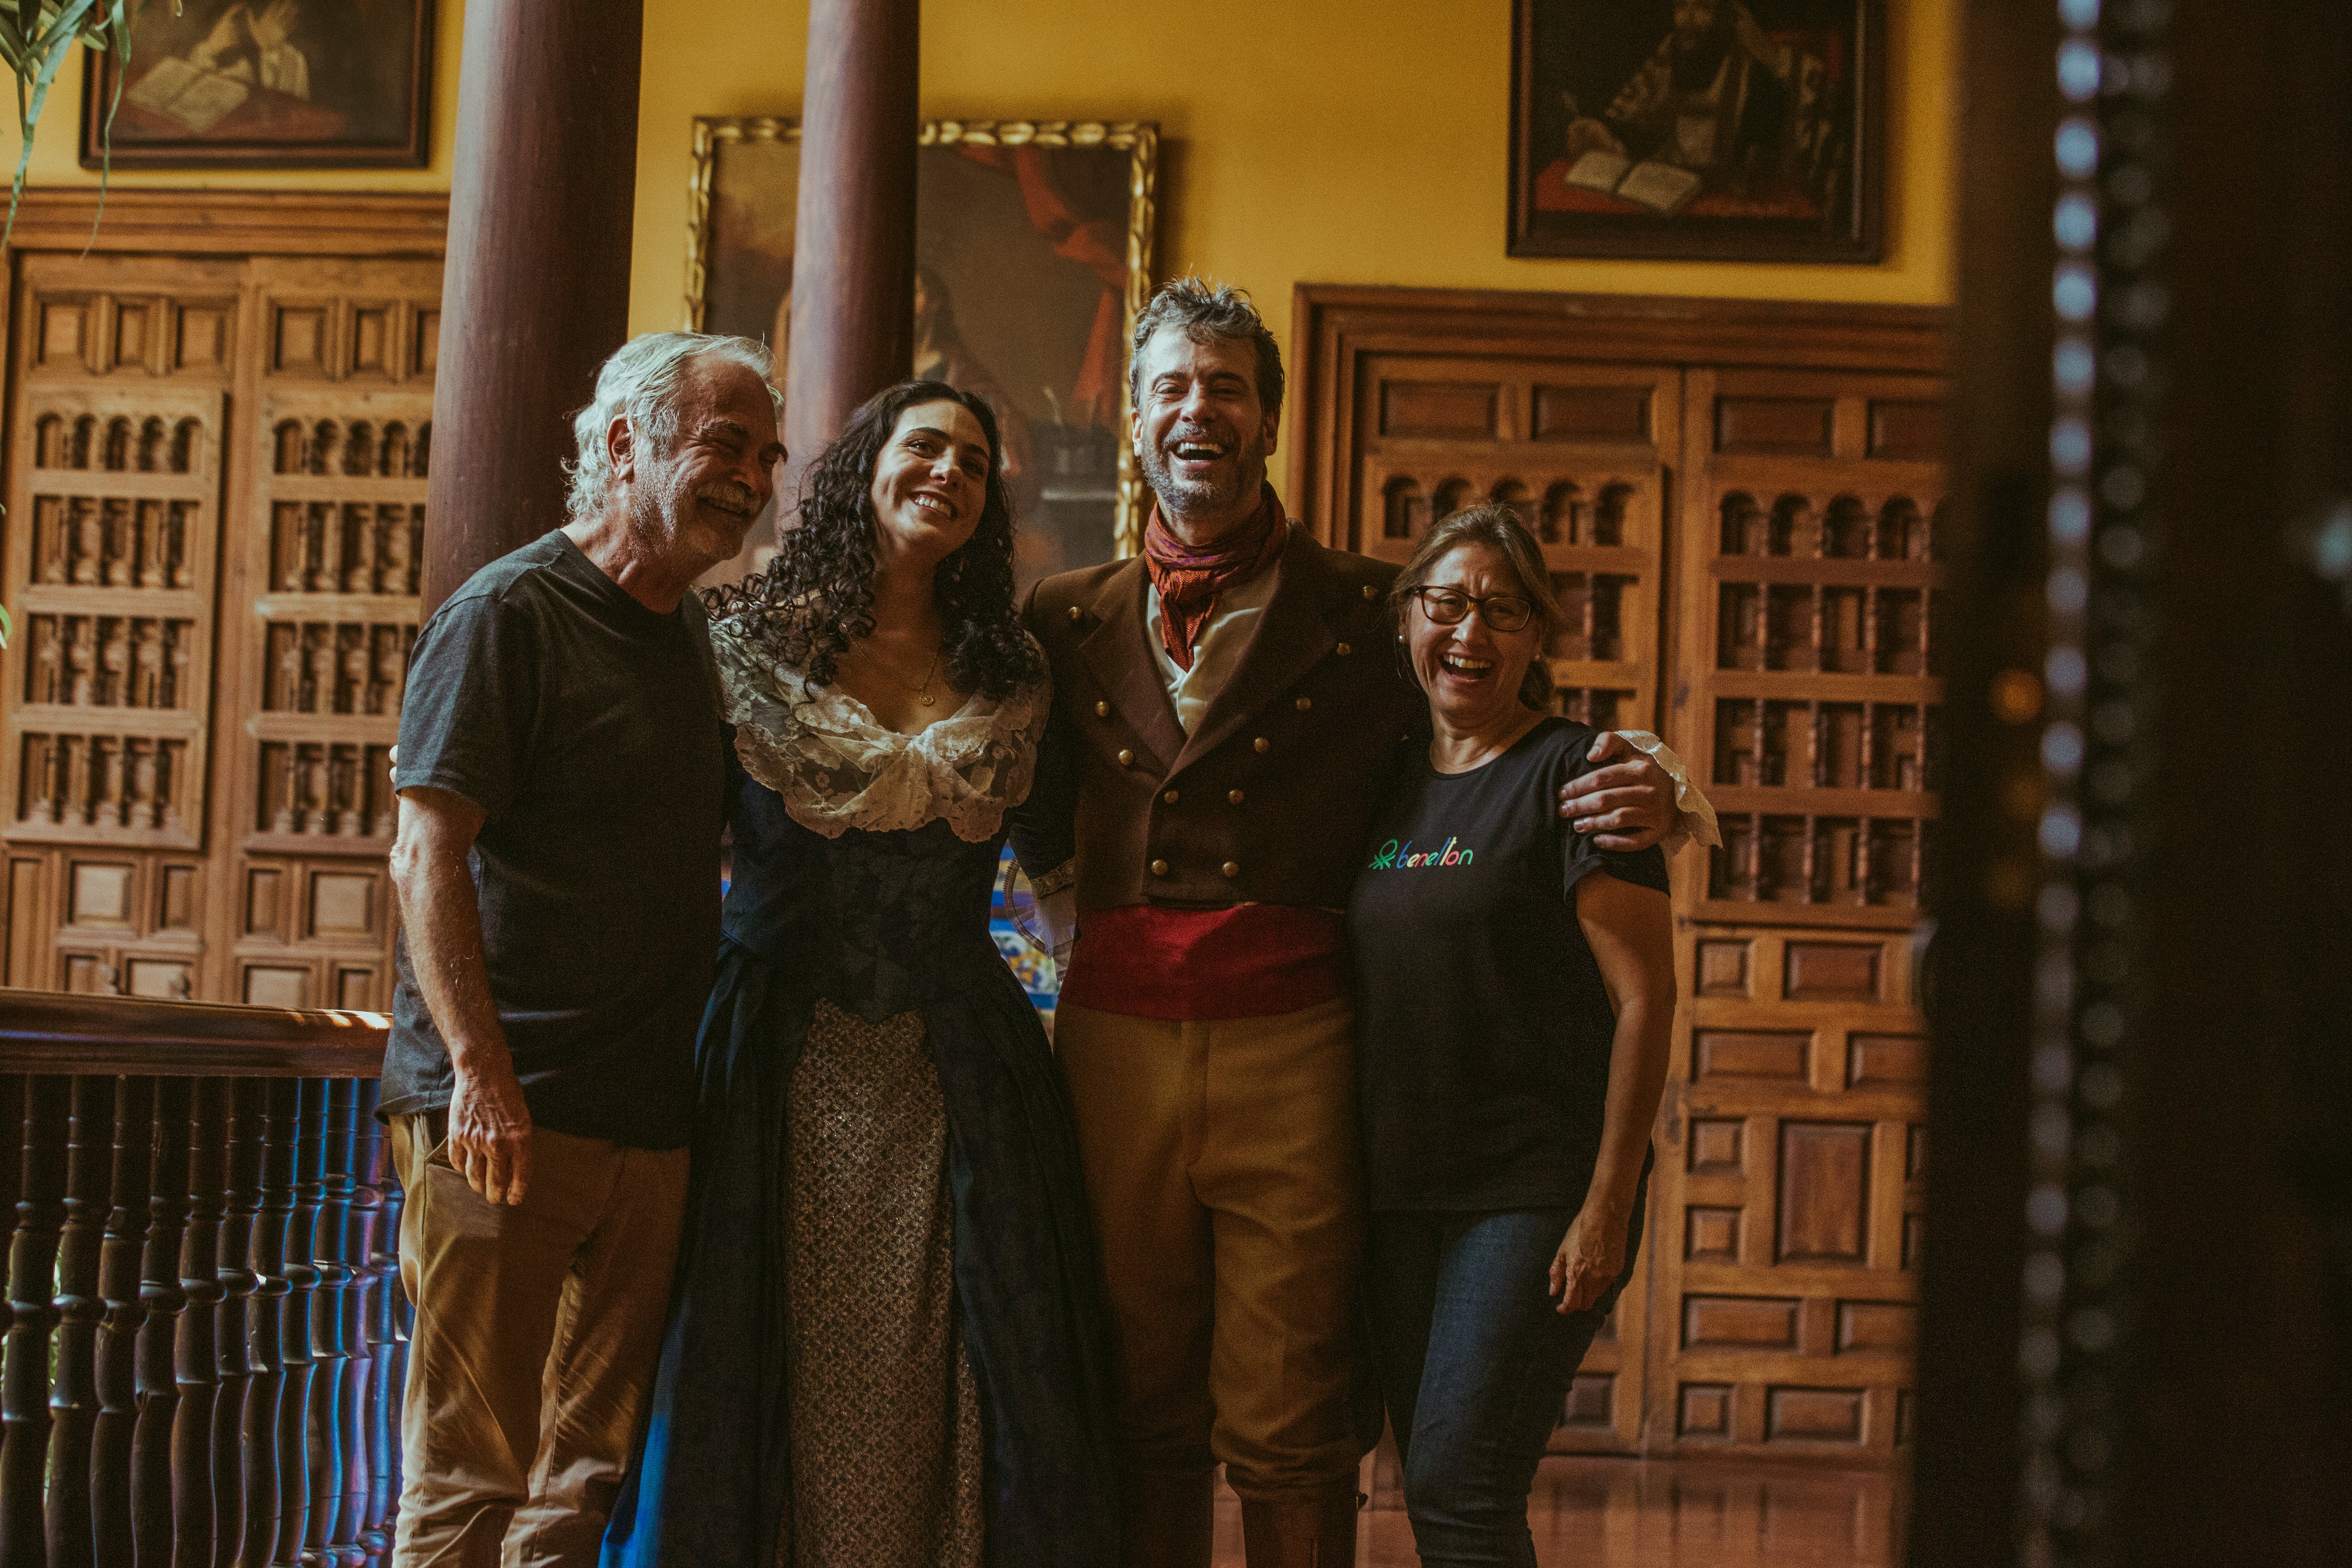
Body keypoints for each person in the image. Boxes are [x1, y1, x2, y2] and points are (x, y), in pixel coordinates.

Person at [1009, 279, 1714, 1567]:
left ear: (1269, 418)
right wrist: (1064, 933)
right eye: (1170, 385)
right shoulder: (1062, 614)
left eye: (1226, 385)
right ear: (1133, 420)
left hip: (1296, 1034)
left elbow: (1509, 728)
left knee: (1291, 1413)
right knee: (1140, 1395)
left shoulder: (1372, 608)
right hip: (1112, 1035)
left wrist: (1663, 784)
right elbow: (1030, 809)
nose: (1197, 409)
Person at [602, 380, 1118, 1568]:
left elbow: (1052, 867)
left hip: (964, 1068)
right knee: (750, 1351)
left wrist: (1098, 1004)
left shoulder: (1013, 667)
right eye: (924, 445)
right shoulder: (740, 642)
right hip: (771, 1052)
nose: (947, 471)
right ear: (862, 467)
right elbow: (665, 843)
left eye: (974, 464)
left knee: (978, 1358)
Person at [382, 331, 783, 1565]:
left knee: (583, 1480)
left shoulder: (689, 639)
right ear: (625, 443)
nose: (751, 477)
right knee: (471, 1472)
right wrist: (480, 1073)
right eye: (725, 444)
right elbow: (425, 854)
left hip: (649, 1129)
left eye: (766, 455)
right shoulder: (509, 611)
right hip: (508, 1118)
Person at [1350, 505, 1675, 1567]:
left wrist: (1607, 1205)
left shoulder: (1579, 777)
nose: (1468, 632)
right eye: (1445, 603)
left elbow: (1644, 1000)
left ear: (1539, 635)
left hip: (1530, 1190)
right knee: (1427, 1478)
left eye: (1502, 609)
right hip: (1398, 1191)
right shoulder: (1379, 776)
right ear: (1407, 618)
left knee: (1461, 1482)